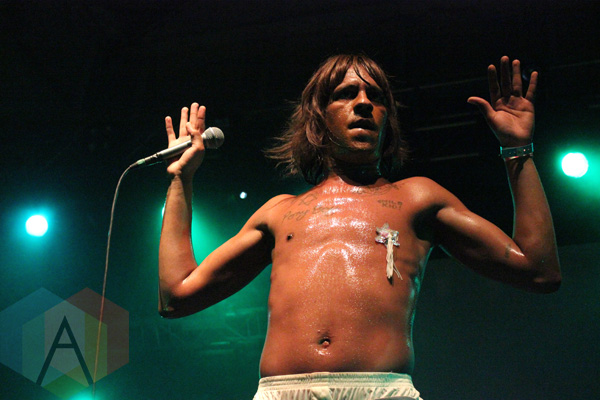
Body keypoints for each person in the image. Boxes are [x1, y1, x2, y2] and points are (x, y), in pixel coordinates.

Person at [157, 54, 561, 399]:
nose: (364, 103)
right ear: (319, 117)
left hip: (379, 389)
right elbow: (176, 297)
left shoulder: (418, 198)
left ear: (388, 120)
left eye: (376, 97)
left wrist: (516, 150)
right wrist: (180, 179)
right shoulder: (279, 213)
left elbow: (539, 270)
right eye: (346, 94)